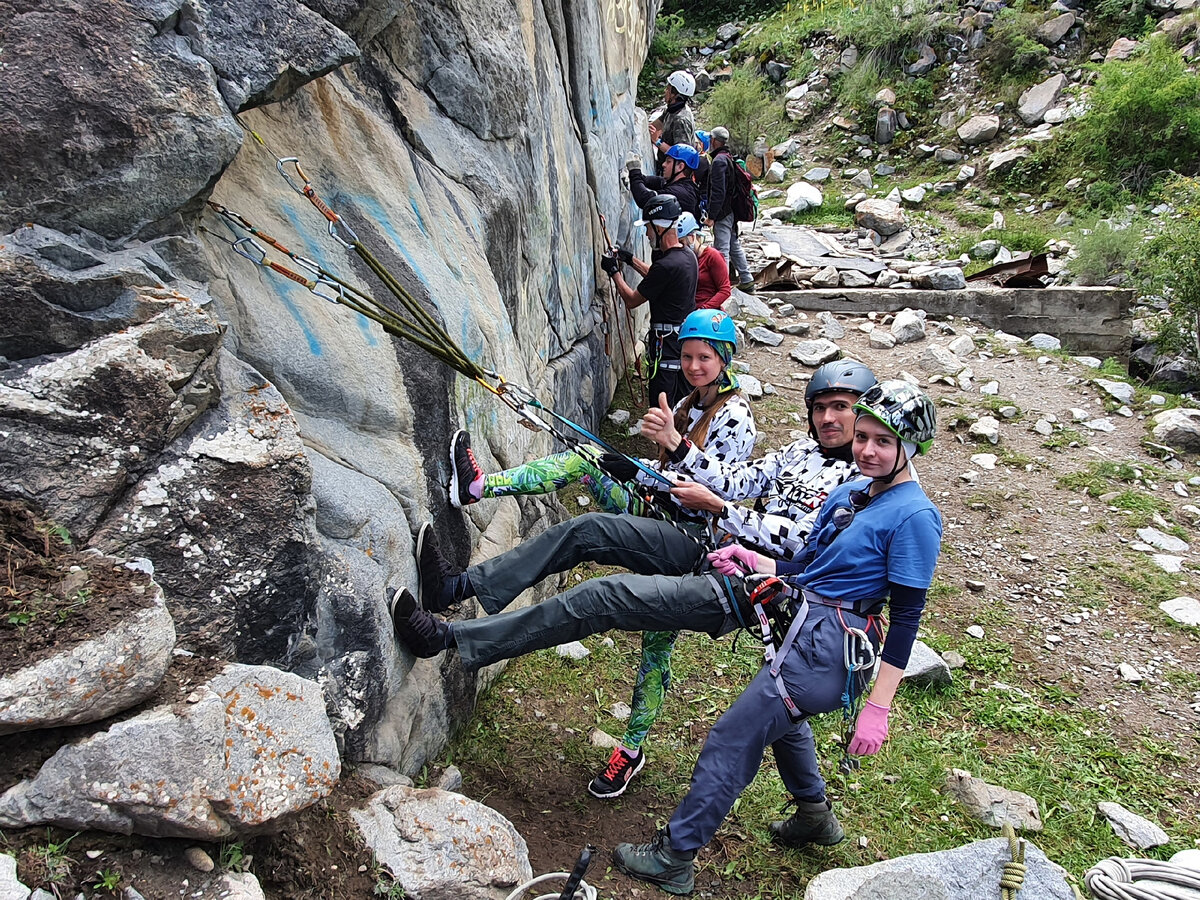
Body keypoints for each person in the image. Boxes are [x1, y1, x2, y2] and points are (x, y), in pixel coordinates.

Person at [390, 361, 879, 795]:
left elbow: (805, 546)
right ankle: (457, 588)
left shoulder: (864, 487)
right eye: (821, 407)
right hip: (707, 543)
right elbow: (736, 480)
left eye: (842, 408)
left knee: (605, 599)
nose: (828, 419)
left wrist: (723, 510)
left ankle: (447, 639)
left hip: (744, 587)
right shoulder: (797, 452)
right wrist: (676, 447)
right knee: (589, 529)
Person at [611, 381, 943, 896]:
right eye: (864, 437)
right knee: (785, 723)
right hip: (799, 628)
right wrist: (757, 561)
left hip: (824, 652)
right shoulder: (852, 492)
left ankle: (675, 855)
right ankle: (814, 815)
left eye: (884, 442)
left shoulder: (914, 518)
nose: (868, 450)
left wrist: (879, 707)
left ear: (912, 447)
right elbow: (811, 565)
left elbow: (906, 618)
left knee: (732, 738)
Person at [445, 309, 754, 798]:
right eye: (688, 356)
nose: (694, 365)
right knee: (584, 460)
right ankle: (478, 488)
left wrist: (657, 461)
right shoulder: (693, 401)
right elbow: (669, 467)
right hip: (656, 512)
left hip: (691, 542)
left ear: (725, 358)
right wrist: (640, 462)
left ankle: (630, 751)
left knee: (656, 649)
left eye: (705, 357)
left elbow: (715, 490)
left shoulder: (736, 417)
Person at [601, 194, 697, 407]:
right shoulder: (687, 256)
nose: (646, 233)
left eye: (649, 228)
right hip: (683, 342)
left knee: (662, 408)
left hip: (666, 346)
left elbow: (632, 300)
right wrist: (628, 259)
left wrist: (614, 271)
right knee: (681, 405)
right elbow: (657, 277)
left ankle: (664, 441)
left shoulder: (667, 265)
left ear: (659, 227)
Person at [705, 126, 755, 294]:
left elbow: (718, 192)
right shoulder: (728, 158)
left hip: (723, 213)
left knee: (721, 250)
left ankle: (722, 289)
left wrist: (712, 216)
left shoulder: (719, 161)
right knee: (734, 245)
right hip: (731, 211)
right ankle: (747, 280)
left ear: (713, 140)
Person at [627, 143, 702, 220]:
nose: (663, 164)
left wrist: (634, 170)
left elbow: (645, 200)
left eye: (668, 161)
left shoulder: (681, 192)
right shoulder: (677, 183)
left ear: (680, 167)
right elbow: (646, 180)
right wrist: (634, 176)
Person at [676, 213, 730, 310]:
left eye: (682, 242)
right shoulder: (683, 259)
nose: (681, 246)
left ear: (692, 237)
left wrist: (704, 309)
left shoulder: (712, 256)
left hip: (707, 312)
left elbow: (725, 290)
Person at [650, 71, 696, 175]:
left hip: (676, 176)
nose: (665, 91)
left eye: (668, 89)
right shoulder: (671, 110)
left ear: (675, 95)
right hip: (666, 169)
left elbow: (683, 154)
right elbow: (656, 125)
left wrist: (657, 141)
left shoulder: (681, 120)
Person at [693, 131, 712, 213]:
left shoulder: (701, 161)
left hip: (702, 196)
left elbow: (694, 179)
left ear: (701, 144)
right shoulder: (705, 158)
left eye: (696, 142)